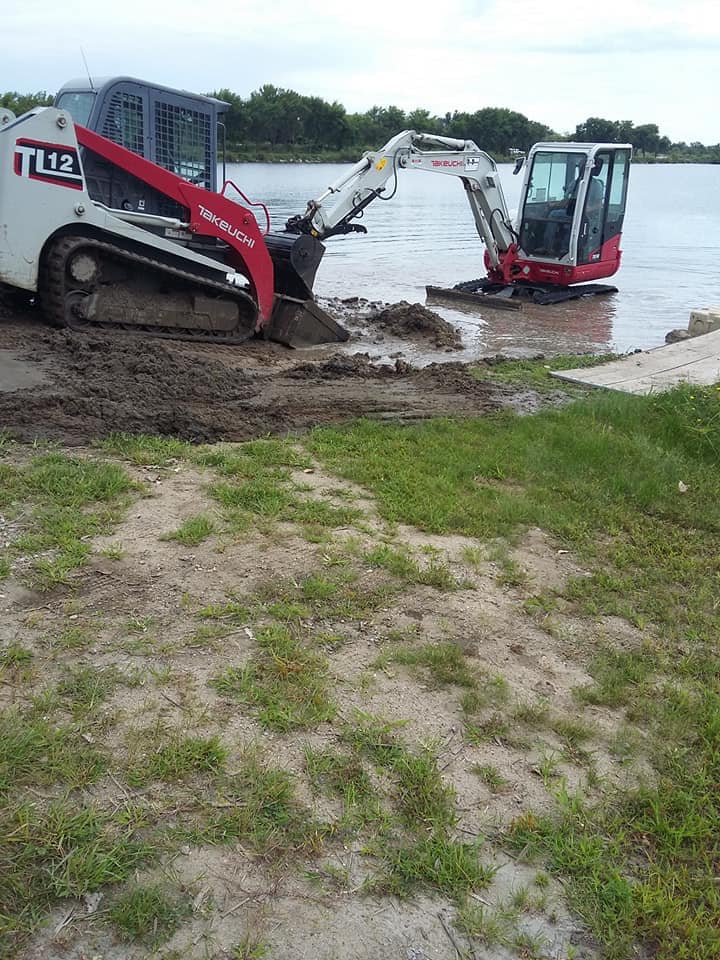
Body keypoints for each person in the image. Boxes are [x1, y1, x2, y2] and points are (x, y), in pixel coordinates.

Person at [541, 158, 605, 258]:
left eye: (582, 167)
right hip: (572, 212)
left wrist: (587, 208)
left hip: (587, 215)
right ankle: (548, 246)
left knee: (555, 216)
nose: (580, 169)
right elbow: (566, 200)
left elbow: (599, 204)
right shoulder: (575, 183)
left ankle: (561, 248)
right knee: (555, 214)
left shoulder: (596, 185)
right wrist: (553, 205)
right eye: (579, 167)